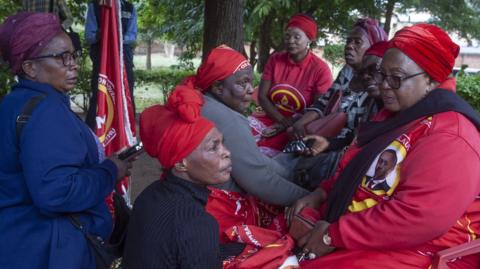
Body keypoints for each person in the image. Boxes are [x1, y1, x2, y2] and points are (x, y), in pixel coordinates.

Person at [287, 24, 480, 268]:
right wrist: (322, 192)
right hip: (363, 228)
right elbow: (356, 166)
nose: (384, 85)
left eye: (396, 78)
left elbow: (419, 217)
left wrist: (332, 235)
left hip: (422, 248)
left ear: (431, 80)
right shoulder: (398, 114)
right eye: (383, 74)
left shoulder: (450, 134)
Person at [0, 12, 132, 269]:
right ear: (30, 68)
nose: (73, 64)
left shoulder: (14, 103)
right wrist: (110, 171)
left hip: (18, 242)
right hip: (47, 251)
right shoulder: (45, 111)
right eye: (61, 58)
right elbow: (56, 193)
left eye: (73, 55)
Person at [123, 88, 236, 268]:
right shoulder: (197, 222)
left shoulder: (150, 194)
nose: (227, 153)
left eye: (222, 143)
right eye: (213, 148)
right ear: (181, 164)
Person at [184, 45, 309, 207]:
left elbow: (254, 159)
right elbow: (260, 181)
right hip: (214, 204)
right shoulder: (228, 119)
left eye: (251, 82)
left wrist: (290, 176)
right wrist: (309, 198)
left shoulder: (199, 101)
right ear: (218, 88)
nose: (251, 90)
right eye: (242, 83)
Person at [290, 18, 387, 148]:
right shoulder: (347, 72)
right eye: (348, 41)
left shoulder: (377, 84)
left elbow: (363, 135)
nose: (349, 46)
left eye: (357, 42)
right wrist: (300, 123)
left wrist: (328, 145)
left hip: (343, 148)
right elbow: (324, 103)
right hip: (322, 137)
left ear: (374, 46)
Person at [248, 14, 333, 157]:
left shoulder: (320, 70)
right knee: (238, 139)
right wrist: (281, 120)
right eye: (287, 36)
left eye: (297, 37)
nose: (290, 41)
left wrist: (287, 125)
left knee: (265, 156)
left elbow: (320, 108)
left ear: (309, 40)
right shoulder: (275, 59)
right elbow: (262, 96)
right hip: (269, 115)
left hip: (298, 125)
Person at [85, 0, 137, 130]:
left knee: (126, 93)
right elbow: (89, 36)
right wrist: (102, 34)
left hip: (124, 58)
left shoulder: (129, 8)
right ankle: (93, 135)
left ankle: (126, 133)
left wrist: (116, 36)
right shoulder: (95, 6)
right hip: (101, 58)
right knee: (99, 93)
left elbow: (132, 35)